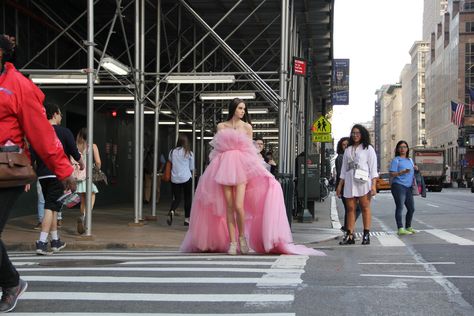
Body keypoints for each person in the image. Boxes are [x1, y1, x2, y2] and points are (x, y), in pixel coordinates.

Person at [180, 98, 324, 256]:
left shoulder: (247, 127)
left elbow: (250, 151)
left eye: (244, 109)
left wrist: (261, 170)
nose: (242, 111)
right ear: (233, 108)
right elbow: (218, 149)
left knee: (239, 205)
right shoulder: (221, 126)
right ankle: (232, 242)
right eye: (240, 108)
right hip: (223, 167)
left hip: (241, 167)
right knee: (229, 206)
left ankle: (242, 238)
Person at [0, 34, 77, 313]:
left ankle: (11, 283)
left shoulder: (19, 87)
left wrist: (63, 170)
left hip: (6, 170)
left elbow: (42, 134)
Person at [31, 104, 84, 253]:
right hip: (58, 174)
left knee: (53, 206)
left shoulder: (39, 132)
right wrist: (81, 164)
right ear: (54, 114)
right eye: (60, 114)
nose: (61, 117)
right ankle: (41, 242)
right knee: (50, 207)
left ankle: (55, 241)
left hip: (43, 174)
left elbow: (32, 155)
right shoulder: (65, 132)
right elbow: (74, 152)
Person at [336, 124, 378, 245]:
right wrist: (340, 186)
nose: (355, 135)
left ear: (362, 134)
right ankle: (350, 235)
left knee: (365, 207)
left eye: (358, 133)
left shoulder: (368, 149)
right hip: (349, 181)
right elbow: (343, 170)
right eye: (353, 133)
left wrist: (373, 185)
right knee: (350, 209)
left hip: (363, 182)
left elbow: (373, 169)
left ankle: (366, 234)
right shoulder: (348, 149)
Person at [74, 127, 101, 234]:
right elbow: (98, 162)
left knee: (83, 200)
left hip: (79, 176)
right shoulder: (93, 146)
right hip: (88, 176)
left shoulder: (77, 146)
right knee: (93, 195)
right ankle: (85, 217)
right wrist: (97, 169)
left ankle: (82, 215)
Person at [389, 140, 418, 235]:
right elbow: (391, 173)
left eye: (405, 147)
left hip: (408, 187)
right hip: (398, 186)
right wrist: (401, 172)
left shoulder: (410, 160)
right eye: (400, 147)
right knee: (400, 207)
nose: (403, 149)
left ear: (407, 149)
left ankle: (408, 226)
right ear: (397, 149)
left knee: (411, 208)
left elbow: (412, 172)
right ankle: (400, 228)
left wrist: (415, 169)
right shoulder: (396, 160)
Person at [335, 137, 361, 240]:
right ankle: (348, 229)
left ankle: (349, 230)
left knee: (351, 209)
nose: (346, 147)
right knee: (352, 209)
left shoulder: (348, 156)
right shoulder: (341, 157)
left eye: (347, 145)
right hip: (346, 187)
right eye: (343, 145)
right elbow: (343, 173)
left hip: (349, 186)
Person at [167, 134, 194, 226]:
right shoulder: (189, 153)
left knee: (177, 198)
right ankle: (187, 220)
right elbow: (191, 167)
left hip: (175, 178)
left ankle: (171, 211)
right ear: (186, 142)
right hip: (186, 178)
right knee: (187, 199)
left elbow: (170, 161)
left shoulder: (172, 152)